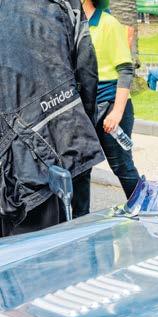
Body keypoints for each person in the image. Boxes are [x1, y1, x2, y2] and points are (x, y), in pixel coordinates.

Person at [0, 0, 104, 237]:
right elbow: (87, 72)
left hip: (36, 146)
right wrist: (79, 129)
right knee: (43, 247)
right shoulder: (65, 4)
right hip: (44, 148)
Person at [82, 0, 141, 206]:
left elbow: (125, 70)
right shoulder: (73, 26)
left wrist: (116, 112)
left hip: (110, 105)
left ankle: (143, 210)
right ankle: (80, 221)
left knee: (122, 166)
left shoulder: (108, 23)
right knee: (81, 168)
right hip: (84, 108)